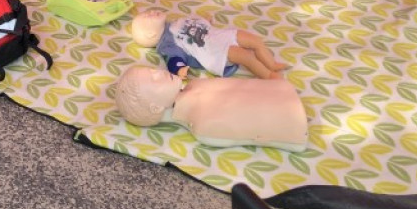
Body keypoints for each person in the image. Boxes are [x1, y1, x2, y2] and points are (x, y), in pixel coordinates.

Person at [111, 65, 308, 151]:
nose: (160, 73)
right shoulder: (204, 126)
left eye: (153, 71)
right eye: (154, 80)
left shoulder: (196, 85)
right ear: (155, 107)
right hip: (295, 123)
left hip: (284, 92)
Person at [131, 9, 288, 80]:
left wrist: (205, 21)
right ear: (151, 34)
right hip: (213, 51)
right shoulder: (167, 44)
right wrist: (178, 69)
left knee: (255, 41)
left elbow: (193, 27)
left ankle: (272, 64)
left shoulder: (174, 23)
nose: (150, 12)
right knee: (247, 57)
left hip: (219, 36)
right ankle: (269, 76)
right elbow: (173, 58)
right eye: (148, 17)